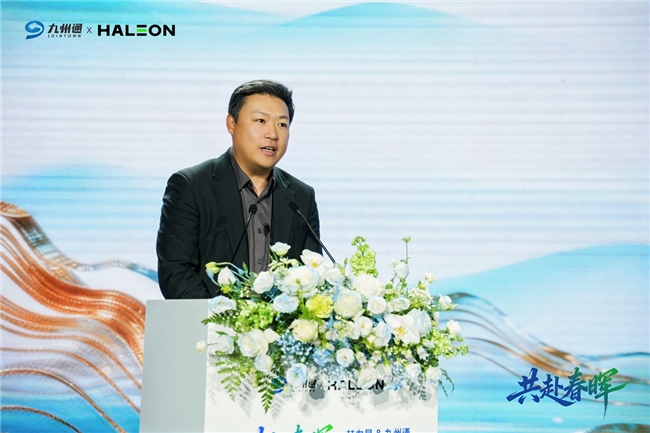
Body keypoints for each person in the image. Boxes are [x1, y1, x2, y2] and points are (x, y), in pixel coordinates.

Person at [156, 80, 321, 299]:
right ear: (231, 124)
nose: (273, 134)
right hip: (211, 319)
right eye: (261, 121)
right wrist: (224, 317)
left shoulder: (301, 197)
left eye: (282, 124)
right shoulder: (191, 186)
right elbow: (176, 273)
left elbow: (311, 276)